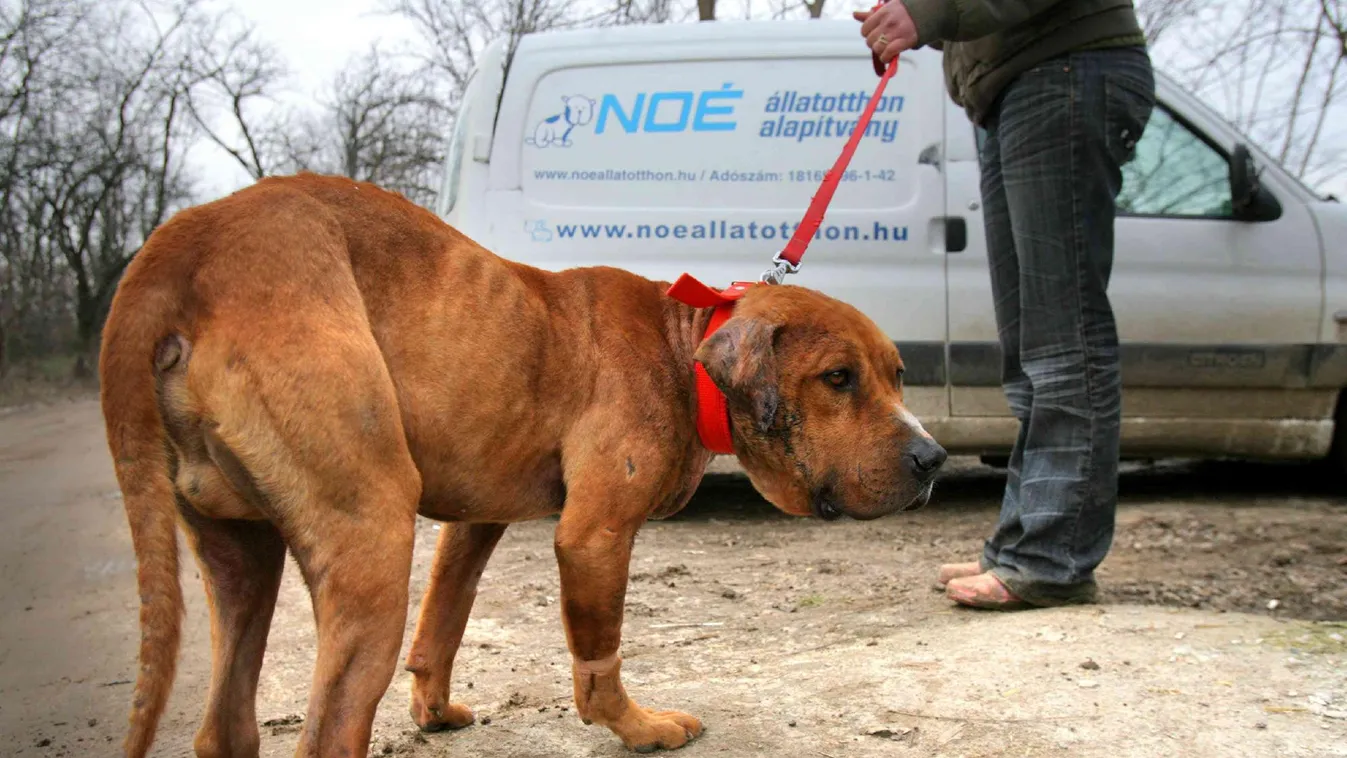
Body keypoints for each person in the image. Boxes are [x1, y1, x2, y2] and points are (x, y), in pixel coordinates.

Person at [854, 0, 1156, 609]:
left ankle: (1052, 557)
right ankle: (1022, 541)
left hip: (1065, 71)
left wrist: (929, 11)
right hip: (1016, 84)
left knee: (1063, 338)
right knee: (1028, 343)